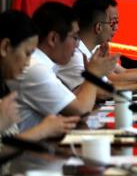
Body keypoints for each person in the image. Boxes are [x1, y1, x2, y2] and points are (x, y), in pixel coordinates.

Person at [10, 2, 118, 131]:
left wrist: (91, 75)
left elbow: (72, 100)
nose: (77, 45)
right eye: (75, 37)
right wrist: (93, 75)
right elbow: (81, 111)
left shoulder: (45, 64)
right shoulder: (35, 68)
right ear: (53, 39)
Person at [0, 10, 79, 163]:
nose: (28, 63)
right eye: (27, 53)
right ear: (5, 47)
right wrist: (42, 130)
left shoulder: (5, 84)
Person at [56, 0, 137, 92]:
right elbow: (100, 92)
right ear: (98, 27)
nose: (116, 28)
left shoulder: (95, 50)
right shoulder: (74, 55)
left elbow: (113, 80)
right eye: (113, 22)